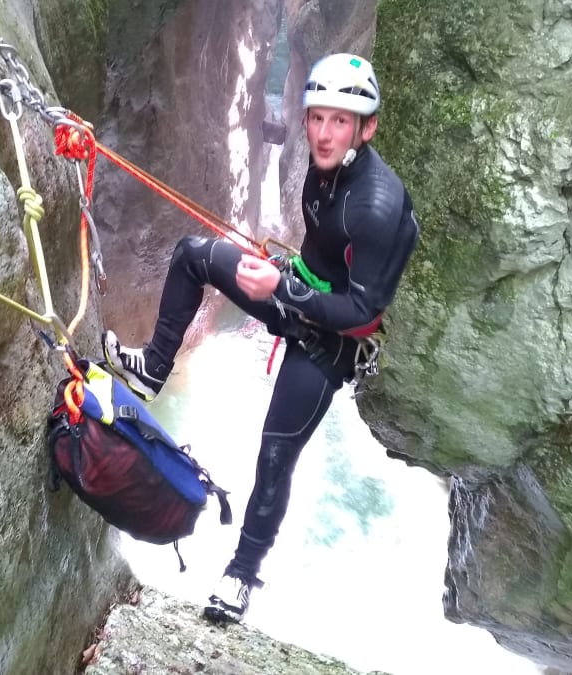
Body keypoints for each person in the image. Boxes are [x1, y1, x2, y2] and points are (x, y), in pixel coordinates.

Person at [102, 53, 419, 622]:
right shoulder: (328, 171)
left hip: (332, 343)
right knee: (193, 256)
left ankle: (241, 576)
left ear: (366, 128)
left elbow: (363, 310)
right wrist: (287, 283)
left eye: (339, 121)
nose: (323, 133)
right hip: (297, 289)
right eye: (317, 117)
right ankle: (152, 369)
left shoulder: (376, 204)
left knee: (274, 456)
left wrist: (282, 288)